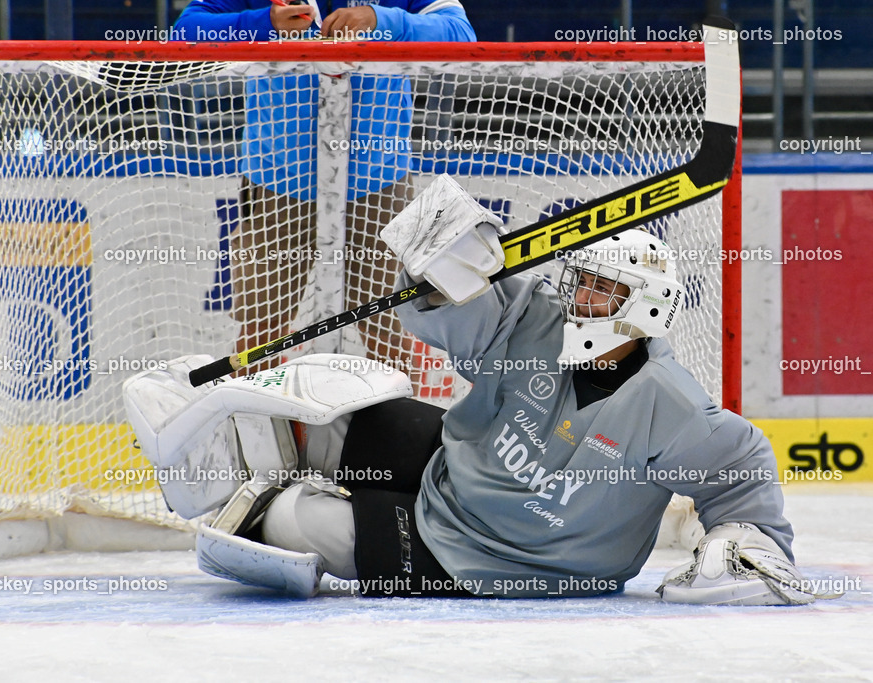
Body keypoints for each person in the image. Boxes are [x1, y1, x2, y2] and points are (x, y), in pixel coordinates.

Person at [123, 175, 822, 605]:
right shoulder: (545, 320)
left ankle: (258, 503)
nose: (581, 295)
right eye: (581, 278)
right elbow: (466, 318)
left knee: (296, 523)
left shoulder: (669, 404)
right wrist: (444, 273)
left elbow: (741, 468)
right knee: (323, 416)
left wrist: (747, 539)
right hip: (457, 464)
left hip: (504, 560)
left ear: (645, 307)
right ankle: (207, 462)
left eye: (603, 289)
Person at [174, 1, 476, 376]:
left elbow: (462, 36)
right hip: (277, 182)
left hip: (377, 183)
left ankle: (406, 434)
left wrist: (381, 20)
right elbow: (186, 32)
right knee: (260, 334)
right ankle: (246, 432)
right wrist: (263, 23)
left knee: (388, 332)